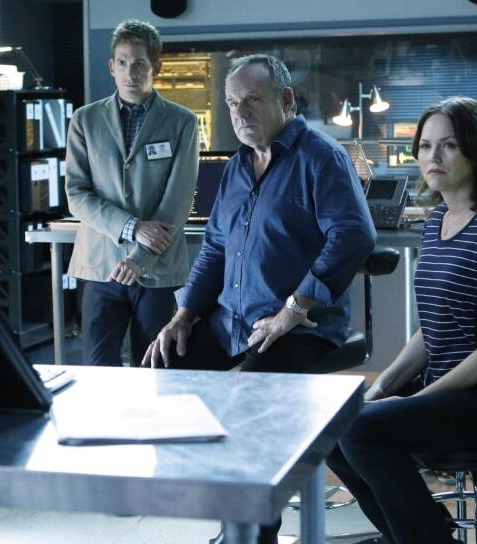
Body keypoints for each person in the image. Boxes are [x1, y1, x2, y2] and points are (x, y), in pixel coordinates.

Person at [141, 54, 376, 543]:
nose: (240, 112)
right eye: (232, 103)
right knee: (163, 366)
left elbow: (354, 235)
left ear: (285, 100)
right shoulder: (236, 168)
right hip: (233, 320)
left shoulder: (321, 157)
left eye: (252, 99)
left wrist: (294, 308)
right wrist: (184, 314)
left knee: (250, 406)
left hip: (302, 325)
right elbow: (215, 248)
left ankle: (252, 535)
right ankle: (218, 495)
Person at [325, 97, 477, 544]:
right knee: (335, 427)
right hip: (453, 388)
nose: (434, 157)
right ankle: (406, 535)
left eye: (449, 145)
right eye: (426, 146)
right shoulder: (438, 223)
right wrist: (381, 388)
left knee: (363, 430)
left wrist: (417, 399)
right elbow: (431, 331)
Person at [65, 19, 199, 366]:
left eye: (139, 63)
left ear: (156, 66)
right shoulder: (84, 120)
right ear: (111, 66)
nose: (130, 72)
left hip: (157, 269)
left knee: (154, 366)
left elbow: (178, 201)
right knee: (98, 369)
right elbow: (77, 194)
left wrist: (140, 257)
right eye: (122, 62)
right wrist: (132, 227)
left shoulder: (182, 121)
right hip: (100, 266)